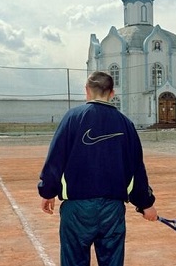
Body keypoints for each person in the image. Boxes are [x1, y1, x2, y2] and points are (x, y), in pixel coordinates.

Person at [38, 71, 157, 266]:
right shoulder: (126, 124)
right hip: (112, 209)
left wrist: (48, 191)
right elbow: (136, 169)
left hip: (77, 209)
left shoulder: (72, 118)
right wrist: (145, 203)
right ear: (112, 93)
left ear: (87, 91)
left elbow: (55, 159)